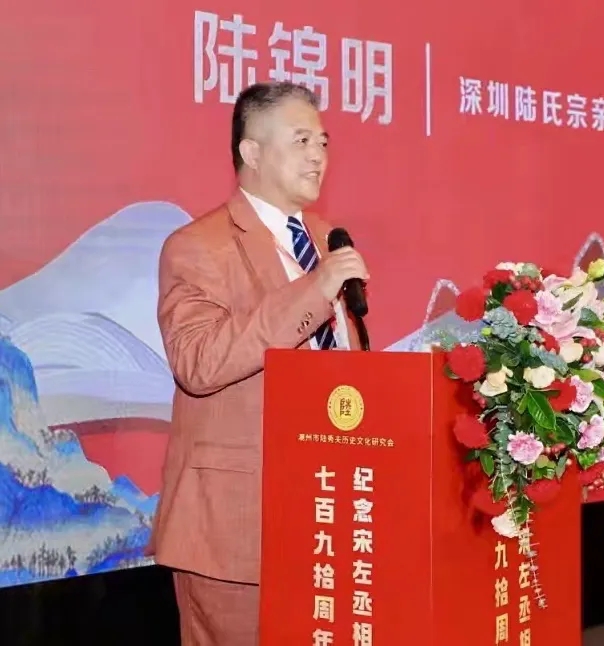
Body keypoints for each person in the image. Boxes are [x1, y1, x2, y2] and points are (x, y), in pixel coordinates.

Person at [149, 81, 369, 645]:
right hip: (235, 525)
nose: (318, 156)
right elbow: (199, 362)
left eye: (323, 142)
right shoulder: (197, 245)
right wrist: (314, 290)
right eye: (301, 141)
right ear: (251, 152)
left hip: (329, 510)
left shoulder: (328, 241)